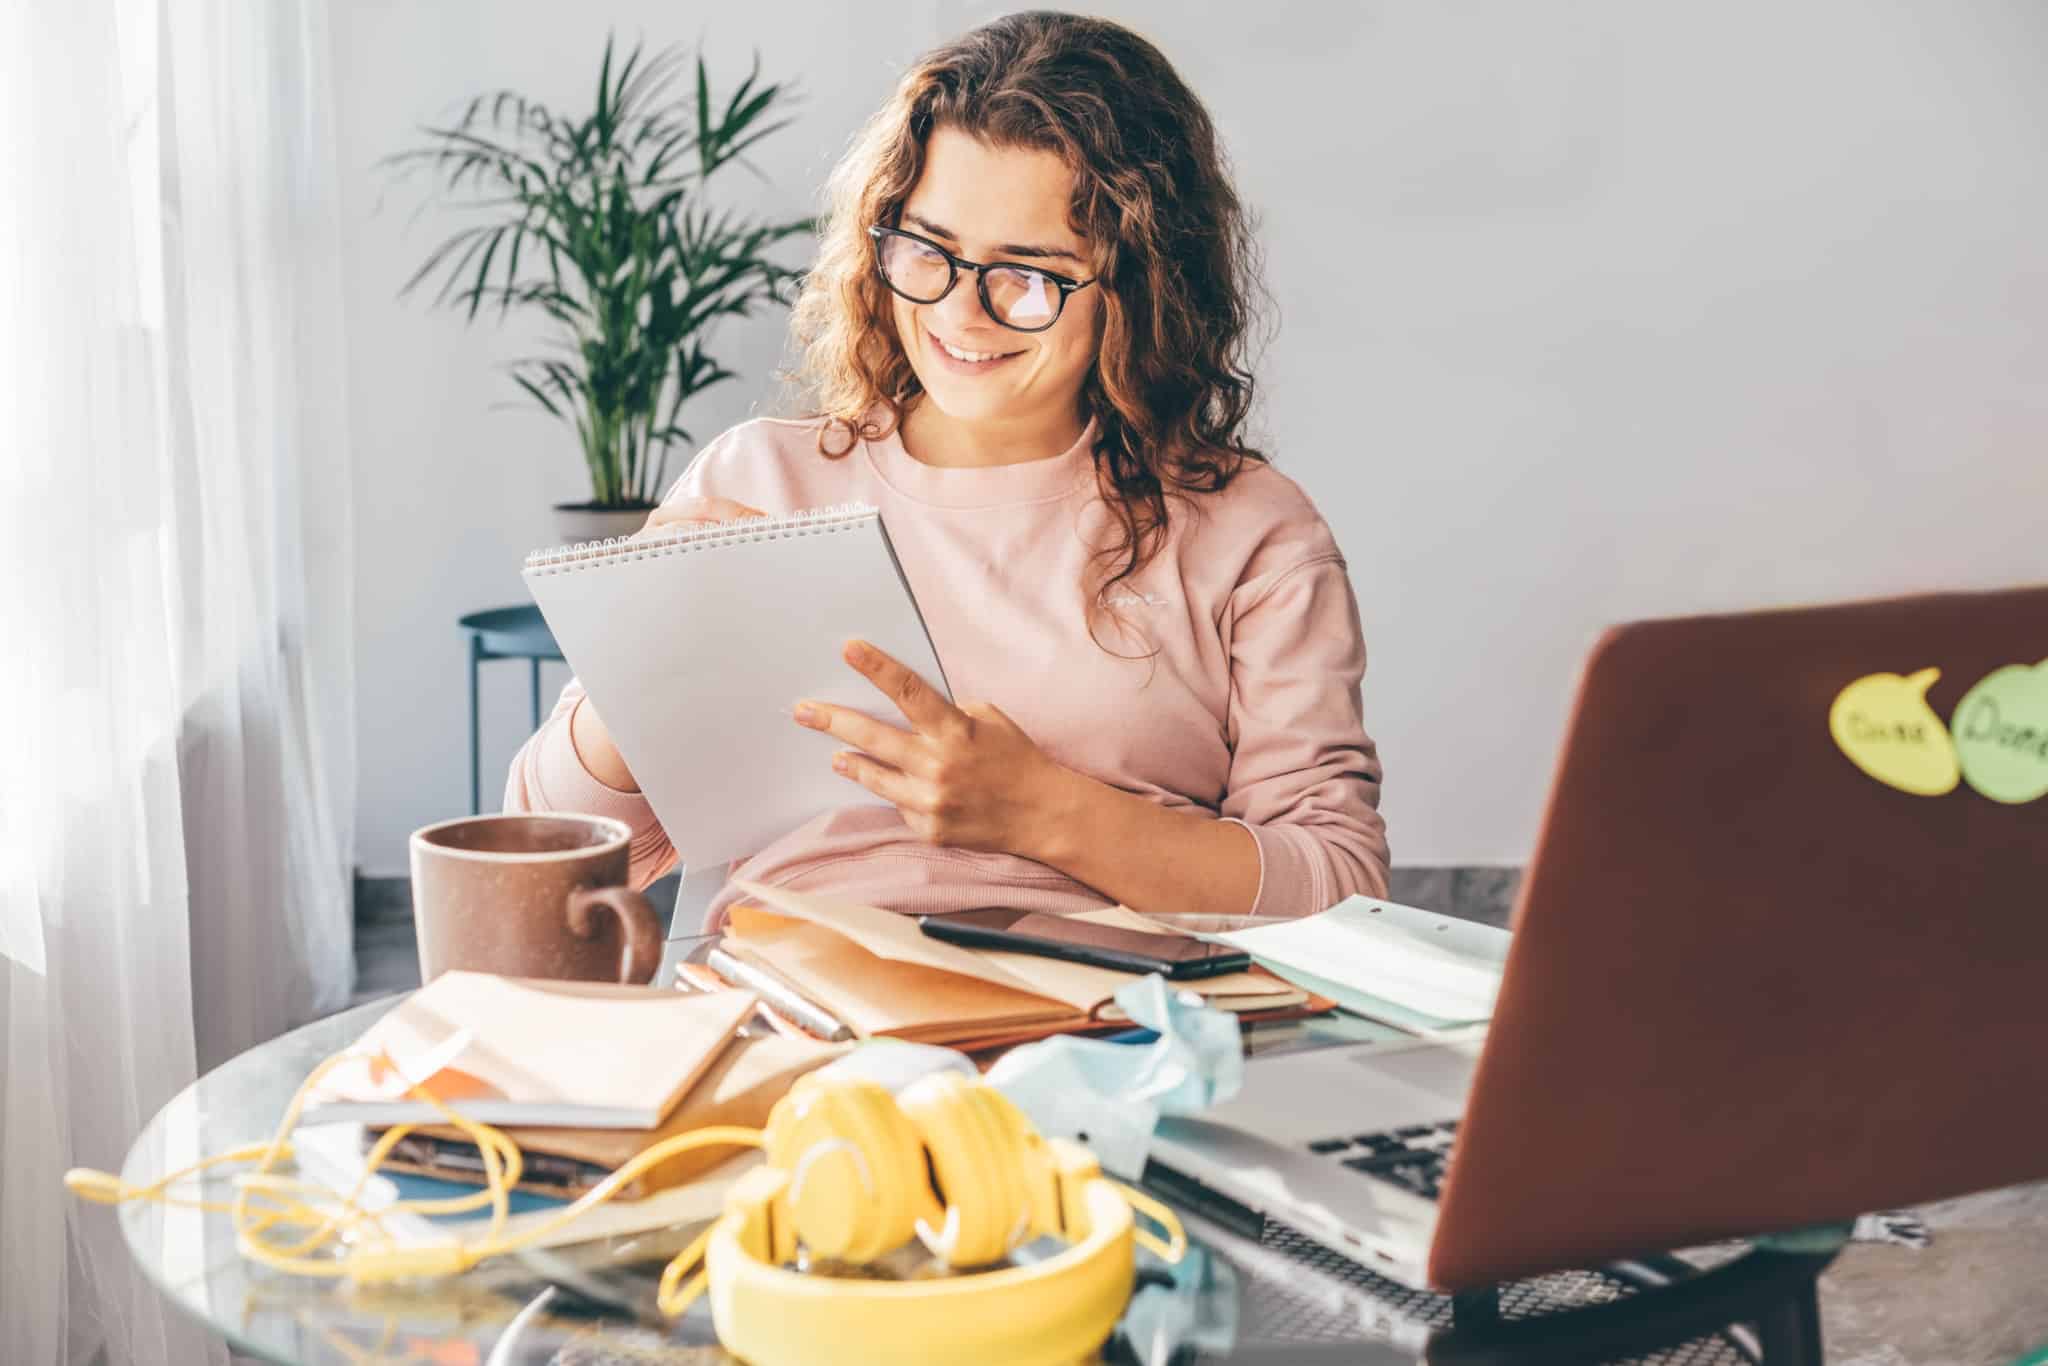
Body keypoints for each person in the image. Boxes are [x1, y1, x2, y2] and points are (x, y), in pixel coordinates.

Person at [506, 11, 1389, 931]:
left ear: (1139, 286)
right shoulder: (761, 481)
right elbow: (542, 848)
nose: (962, 314)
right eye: (927, 251)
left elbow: (1340, 883)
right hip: (805, 1008)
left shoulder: (1251, 532)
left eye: (1027, 274)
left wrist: (1043, 813)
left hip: (1123, 1019)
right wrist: (634, 673)